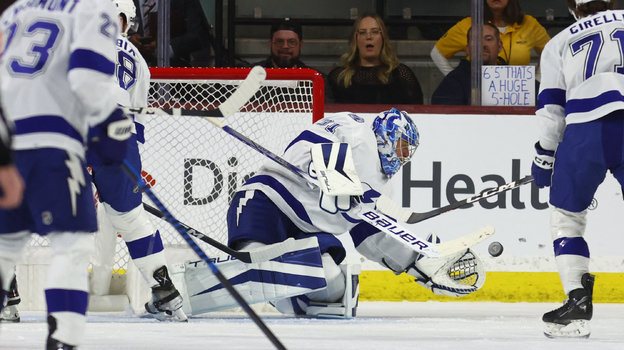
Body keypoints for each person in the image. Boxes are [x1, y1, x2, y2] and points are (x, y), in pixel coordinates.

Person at [172, 109, 486, 318]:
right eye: (400, 146)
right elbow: (309, 142)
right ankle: (174, 290)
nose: (401, 156)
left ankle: (289, 293)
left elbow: (370, 236)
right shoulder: (355, 129)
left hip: (307, 233)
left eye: (408, 152)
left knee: (335, 289)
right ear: (385, 135)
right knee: (258, 264)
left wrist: (418, 261)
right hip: (266, 203)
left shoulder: (383, 186)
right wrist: (337, 177)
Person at [0, 1, 134, 348]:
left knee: (4, 246)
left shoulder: (16, 10)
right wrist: (109, 121)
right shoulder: (95, 7)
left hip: (4, 141)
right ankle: (63, 341)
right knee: (71, 244)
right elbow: (87, 79)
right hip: (51, 146)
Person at [88, 0, 186, 321]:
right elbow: (136, 125)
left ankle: (10, 294)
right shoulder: (138, 60)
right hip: (121, 135)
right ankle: (165, 291)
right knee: (130, 218)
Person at [531, 0, 621, 339]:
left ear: (573, 8)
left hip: (586, 128)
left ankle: (577, 302)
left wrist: (544, 156)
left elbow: (552, 109)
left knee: (566, 216)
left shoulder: (559, 41)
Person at [431, 0, 550, 76]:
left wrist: (537, 81)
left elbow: (551, 53)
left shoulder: (529, 23)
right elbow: (437, 53)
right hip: (478, 96)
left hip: (518, 96)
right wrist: (454, 79)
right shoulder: (469, 24)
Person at [328, 14, 423, 104]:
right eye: (362, 32)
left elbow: (417, 114)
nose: (369, 37)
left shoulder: (401, 75)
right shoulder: (338, 77)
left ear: (383, 38)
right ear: (355, 39)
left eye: (375, 32)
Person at [431, 23, 503, 105]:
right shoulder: (451, 83)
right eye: (476, 40)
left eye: (488, 39)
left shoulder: (511, 77)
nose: (483, 45)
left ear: (500, 46)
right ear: (468, 49)